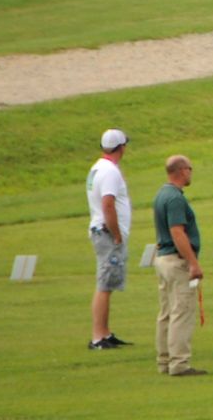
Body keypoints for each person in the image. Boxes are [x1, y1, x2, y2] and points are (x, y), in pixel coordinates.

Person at [152, 155, 204, 376]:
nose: (191, 172)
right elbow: (177, 232)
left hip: (162, 259)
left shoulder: (161, 194)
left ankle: (164, 361)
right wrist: (193, 263)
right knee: (181, 311)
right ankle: (179, 363)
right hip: (176, 261)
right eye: (190, 168)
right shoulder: (175, 199)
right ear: (182, 171)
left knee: (166, 313)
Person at [87, 129, 132, 350]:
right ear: (121, 147)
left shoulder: (97, 167)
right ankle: (98, 337)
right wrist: (116, 234)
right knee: (104, 284)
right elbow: (108, 204)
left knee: (106, 283)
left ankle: (105, 332)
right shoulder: (110, 172)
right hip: (107, 233)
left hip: (100, 230)